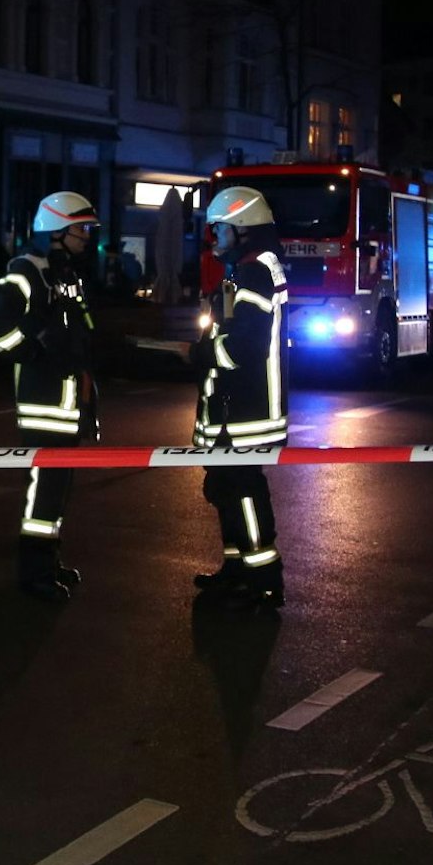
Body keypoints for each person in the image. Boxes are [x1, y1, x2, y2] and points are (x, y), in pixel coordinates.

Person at [0, 191, 100, 602]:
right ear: (55, 230)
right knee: (43, 490)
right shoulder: (26, 272)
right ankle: (34, 574)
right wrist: (32, 353)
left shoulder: (64, 274)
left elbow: (78, 333)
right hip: (43, 405)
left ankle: (48, 563)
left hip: (68, 404)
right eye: (81, 229)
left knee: (57, 490)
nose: (88, 237)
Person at [188, 186, 289, 609]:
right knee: (226, 489)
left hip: (245, 410)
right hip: (231, 409)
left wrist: (200, 353)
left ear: (243, 227)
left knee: (244, 491)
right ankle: (235, 570)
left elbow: (245, 345)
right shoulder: (245, 269)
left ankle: (263, 579)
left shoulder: (254, 273)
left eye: (219, 227)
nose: (213, 235)